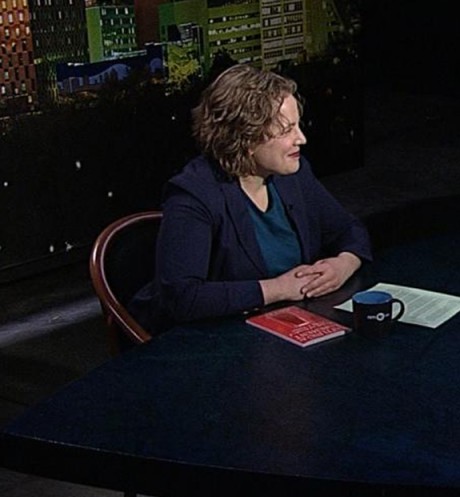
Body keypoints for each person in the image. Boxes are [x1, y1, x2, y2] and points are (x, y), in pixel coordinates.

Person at [129, 64, 371, 335]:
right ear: (245, 137)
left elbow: (349, 229)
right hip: (212, 339)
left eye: (298, 126)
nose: (301, 139)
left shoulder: (293, 174)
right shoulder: (194, 195)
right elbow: (183, 297)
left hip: (285, 326)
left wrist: (343, 264)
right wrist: (278, 289)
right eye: (286, 130)